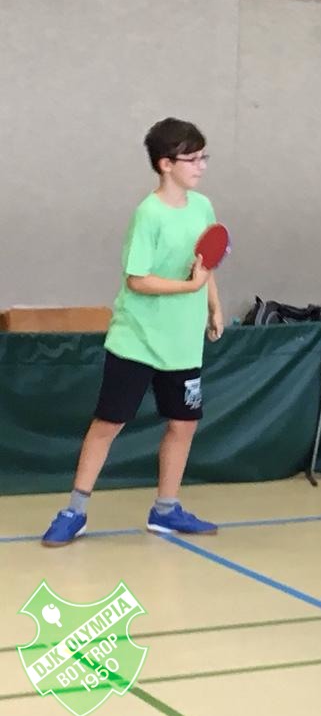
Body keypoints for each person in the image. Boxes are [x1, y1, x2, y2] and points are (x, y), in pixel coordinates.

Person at [41, 118, 223, 547]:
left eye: (203, 157)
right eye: (192, 158)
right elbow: (137, 279)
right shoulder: (148, 214)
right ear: (165, 164)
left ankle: (166, 510)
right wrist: (189, 288)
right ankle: (75, 510)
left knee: (183, 423)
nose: (201, 166)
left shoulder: (203, 208)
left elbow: (206, 262)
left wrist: (213, 304)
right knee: (108, 423)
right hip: (137, 339)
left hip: (183, 342)